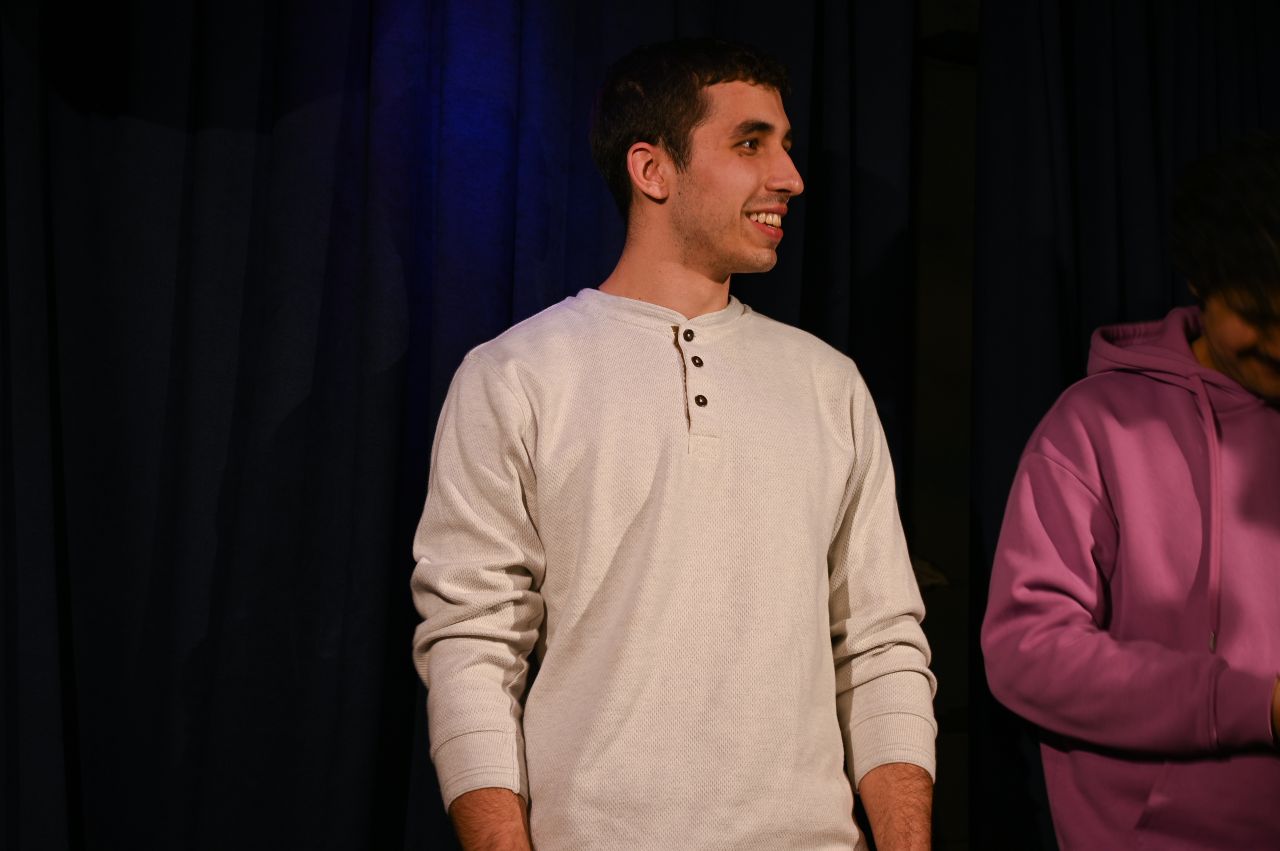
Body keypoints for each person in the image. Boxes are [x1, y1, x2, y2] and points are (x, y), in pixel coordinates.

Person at [412, 38, 936, 851]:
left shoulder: (828, 384)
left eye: (786, 146)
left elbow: (880, 643)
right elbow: (471, 646)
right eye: (751, 143)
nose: (790, 177)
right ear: (652, 171)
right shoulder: (516, 374)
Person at [982, 133, 1280, 849]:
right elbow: (1027, 650)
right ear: (1199, 283)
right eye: (1260, 317)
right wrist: (1253, 703)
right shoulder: (1094, 426)